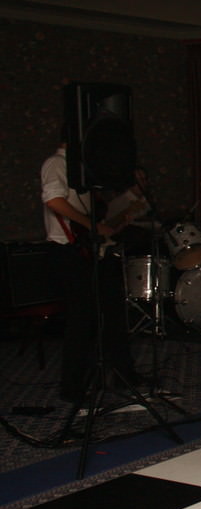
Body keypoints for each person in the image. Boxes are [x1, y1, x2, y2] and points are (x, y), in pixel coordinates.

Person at [41, 134, 137, 402]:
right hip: (68, 251)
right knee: (80, 320)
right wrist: (91, 225)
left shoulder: (81, 171)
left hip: (89, 251)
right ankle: (72, 387)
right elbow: (54, 200)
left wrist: (110, 222)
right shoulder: (56, 164)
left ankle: (123, 373)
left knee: (112, 311)